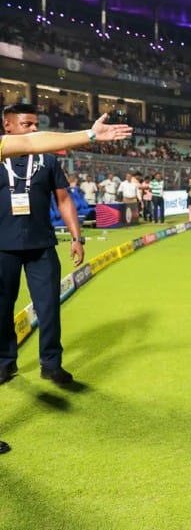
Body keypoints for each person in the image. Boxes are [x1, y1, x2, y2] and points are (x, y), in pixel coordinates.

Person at [0, 107, 132, 385]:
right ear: (8, 127)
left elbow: (63, 199)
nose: (33, 129)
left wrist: (76, 237)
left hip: (42, 245)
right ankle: (5, 362)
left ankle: (51, 363)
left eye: (36, 124)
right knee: (1, 307)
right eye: (27, 124)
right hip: (3, 246)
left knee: (49, 307)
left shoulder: (46, 161)